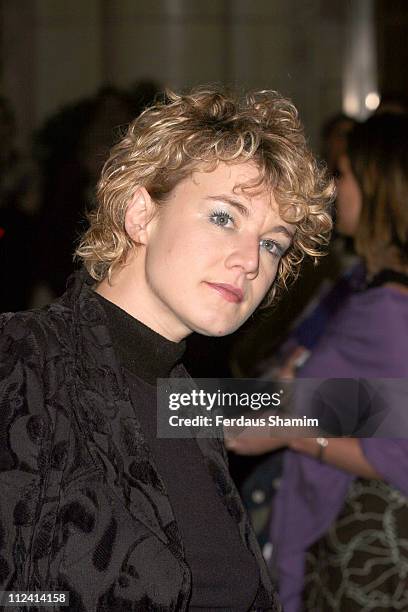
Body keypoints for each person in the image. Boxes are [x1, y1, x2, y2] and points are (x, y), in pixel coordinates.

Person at [0, 87, 332, 611]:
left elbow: (369, 407)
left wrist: (305, 407)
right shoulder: (20, 357)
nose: (251, 261)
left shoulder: (185, 400)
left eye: (273, 243)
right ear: (140, 214)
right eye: (224, 217)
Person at [227, 113, 408, 611]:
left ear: (378, 189)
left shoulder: (391, 309)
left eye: (343, 174)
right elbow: (355, 405)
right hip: (318, 520)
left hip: (358, 543)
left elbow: (399, 451)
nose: (331, 186)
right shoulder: (362, 285)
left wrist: (293, 430)